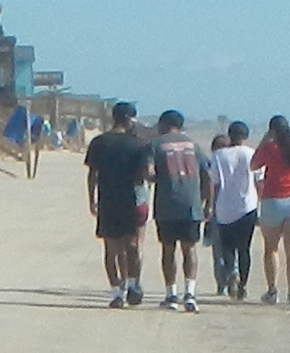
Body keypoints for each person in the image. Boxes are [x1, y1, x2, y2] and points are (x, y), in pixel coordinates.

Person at [81, 103, 155, 306]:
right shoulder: (140, 144)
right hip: (131, 200)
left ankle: (116, 293)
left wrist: (91, 200)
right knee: (132, 247)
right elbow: (146, 173)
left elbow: (92, 174)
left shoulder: (99, 142)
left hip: (107, 200)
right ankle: (132, 285)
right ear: (129, 119)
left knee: (111, 249)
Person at [251, 114, 290, 303]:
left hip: (273, 201)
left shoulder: (269, 148)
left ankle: (272, 291)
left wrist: (264, 141)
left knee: (271, 249)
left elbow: (253, 165)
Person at [149, 111, 209, 309]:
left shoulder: (156, 145)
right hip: (191, 204)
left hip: (167, 204)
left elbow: (148, 171)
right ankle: (190, 293)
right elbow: (207, 175)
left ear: (164, 124)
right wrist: (208, 203)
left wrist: (157, 178)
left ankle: (171, 295)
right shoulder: (194, 145)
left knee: (168, 249)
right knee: (189, 249)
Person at [204, 121, 260, 298]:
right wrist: (261, 204)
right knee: (244, 248)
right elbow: (259, 181)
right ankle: (243, 285)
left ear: (230, 136)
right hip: (248, 206)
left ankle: (231, 272)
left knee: (227, 247)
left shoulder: (218, 155)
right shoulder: (252, 154)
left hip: (225, 207)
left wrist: (210, 205)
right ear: (246, 136)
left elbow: (214, 183)